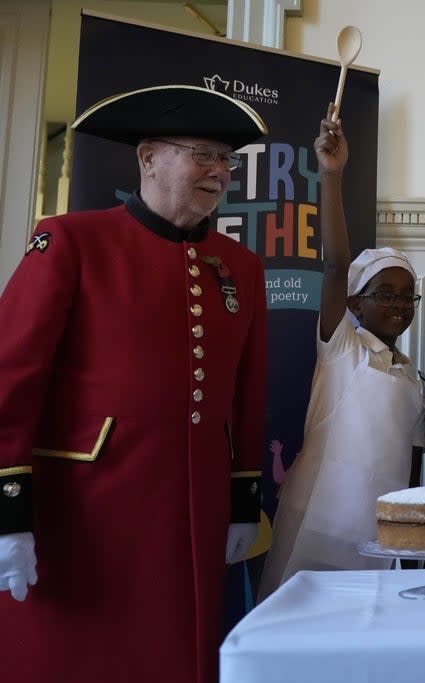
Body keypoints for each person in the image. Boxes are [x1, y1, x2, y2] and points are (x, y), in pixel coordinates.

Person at [0, 85, 267, 683]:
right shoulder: (71, 240)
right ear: (148, 158)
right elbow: (10, 375)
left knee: (176, 656)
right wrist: (8, 512)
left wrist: (243, 497)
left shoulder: (240, 267)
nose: (220, 172)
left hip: (193, 514)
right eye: (202, 154)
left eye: (226, 160)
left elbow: (248, 396)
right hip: (85, 510)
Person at [257, 109, 425, 599]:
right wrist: (331, 176)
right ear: (355, 303)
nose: (398, 304)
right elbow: (334, 265)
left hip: (378, 533)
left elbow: (412, 462)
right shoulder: (342, 348)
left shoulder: (412, 376)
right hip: (318, 518)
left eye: (407, 295)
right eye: (385, 293)